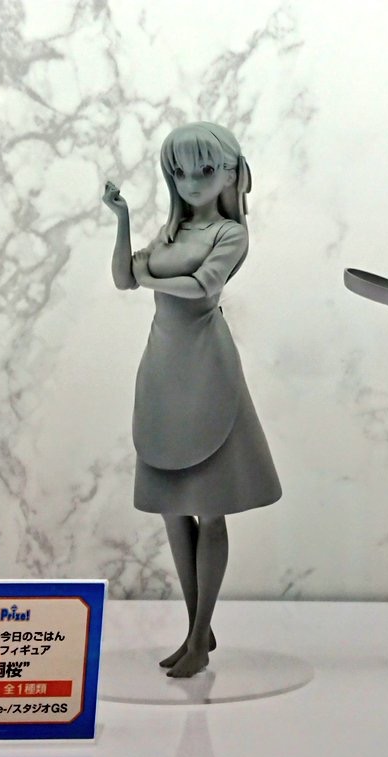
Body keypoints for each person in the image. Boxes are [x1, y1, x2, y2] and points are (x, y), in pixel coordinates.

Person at [101, 123, 281, 678]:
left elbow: (204, 287)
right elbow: (124, 278)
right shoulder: (170, 232)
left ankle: (201, 635)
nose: (192, 182)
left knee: (211, 505)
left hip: (206, 365)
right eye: (180, 172)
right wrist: (123, 220)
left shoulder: (230, 234)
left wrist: (149, 275)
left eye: (206, 170)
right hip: (163, 365)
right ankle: (195, 627)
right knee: (172, 507)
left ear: (230, 174)